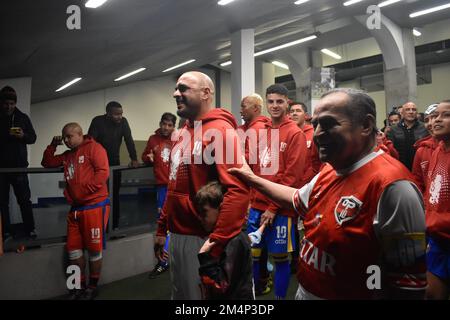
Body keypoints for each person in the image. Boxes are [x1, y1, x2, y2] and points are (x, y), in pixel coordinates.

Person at [229, 88, 427, 300]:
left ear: (366, 126)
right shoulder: (331, 169)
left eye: (329, 124)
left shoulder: (394, 186)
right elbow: (296, 199)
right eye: (315, 125)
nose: (317, 134)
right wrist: (252, 179)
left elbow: (408, 284)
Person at [154, 71, 249, 300]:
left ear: (206, 93)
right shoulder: (182, 133)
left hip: (204, 239)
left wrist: (215, 245)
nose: (176, 93)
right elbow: (173, 184)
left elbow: (238, 190)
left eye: (184, 88)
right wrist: (161, 229)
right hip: (178, 235)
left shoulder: (221, 131)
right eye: (176, 88)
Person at [247, 84, 307, 300]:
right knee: (254, 257)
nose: (274, 106)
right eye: (270, 101)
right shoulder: (261, 132)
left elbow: (292, 178)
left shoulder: (295, 134)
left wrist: (273, 208)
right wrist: (250, 202)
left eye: (279, 101)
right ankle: (255, 296)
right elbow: (253, 170)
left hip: (280, 210)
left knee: (280, 259)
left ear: (287, 103)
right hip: (256, 207)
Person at [41, 123, 110, 300]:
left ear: (80, 134)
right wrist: (53, 145)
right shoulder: (67, 155)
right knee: (73, 250)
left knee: (94, 250)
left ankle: (92, 287)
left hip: (95, 206)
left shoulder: (95, 148)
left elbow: (103, 173)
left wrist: (83, 190)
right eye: (64, 137)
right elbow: (47, 162)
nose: (66, 140)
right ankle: (76, 286)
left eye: (69, 136)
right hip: (76, 209)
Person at [194, 181, 254, 300]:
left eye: (204, 212)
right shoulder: (222, 236)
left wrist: (205, 258)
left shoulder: (235, 241)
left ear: (221, 209)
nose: (199, 217)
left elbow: (221, 286)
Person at [238, 94, 272, 295]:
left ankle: (260, 280)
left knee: (256, 241)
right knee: (259, 240)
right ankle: (262, 278)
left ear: (256, 108)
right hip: (258, 193)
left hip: (256, 194)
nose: (241, 109)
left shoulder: (257, 129)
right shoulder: (252, 128)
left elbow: (253, 165)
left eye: (244, 106)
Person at [88, 101, 138, 229]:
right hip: (97, 165)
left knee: (114, 195)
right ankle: (98, 225)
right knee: (98, 195)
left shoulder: (123, 122)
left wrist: (134, 158)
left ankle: (114, 225)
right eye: (116, 114)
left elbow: (129, 140)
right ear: (108, 114)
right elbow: (90, 142)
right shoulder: (98, 121)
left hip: (114, 164)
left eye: (121, 114)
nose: (120, 117)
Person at [142, 112, 177, 278]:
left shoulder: (178, 138)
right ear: (160, 123)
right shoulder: (153, 139)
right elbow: (145, 155)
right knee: (163, 222)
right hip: (162, 187)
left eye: (170, 125)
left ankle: (173, 259)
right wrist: (148, 158)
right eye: (164, 124)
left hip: (178, 186)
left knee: (178, 222)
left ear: (174, 127)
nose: (166, 128)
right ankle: (163, 262)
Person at [0, 86, 37, 240]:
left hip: (19, 166)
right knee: (2, 202)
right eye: (6, 103)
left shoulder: (23, 117)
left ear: (15, 103)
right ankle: (5, 231)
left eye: (12, 104)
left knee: (24, 200)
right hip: (1, 169)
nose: (9, 106)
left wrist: (23, 135)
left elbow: (33, 138)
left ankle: (30, 229)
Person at [424, 100, 450, 300]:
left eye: (445, 115)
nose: (437, 120)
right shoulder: (437, 151)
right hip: (437, 239)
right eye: (435, 116)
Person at [387, 102, 429, 170]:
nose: (411, 112)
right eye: (407, 109)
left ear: (417, 113)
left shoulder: (425, 128)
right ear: (402, 113)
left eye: (414, 109)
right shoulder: (393, 129)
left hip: (421, 168)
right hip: (400, 168)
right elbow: (390, 151)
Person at [412, 104, 439, 193]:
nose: (430, 124)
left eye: (435, 117)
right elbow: (418, 182)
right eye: (427, 120)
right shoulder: (421, 150)